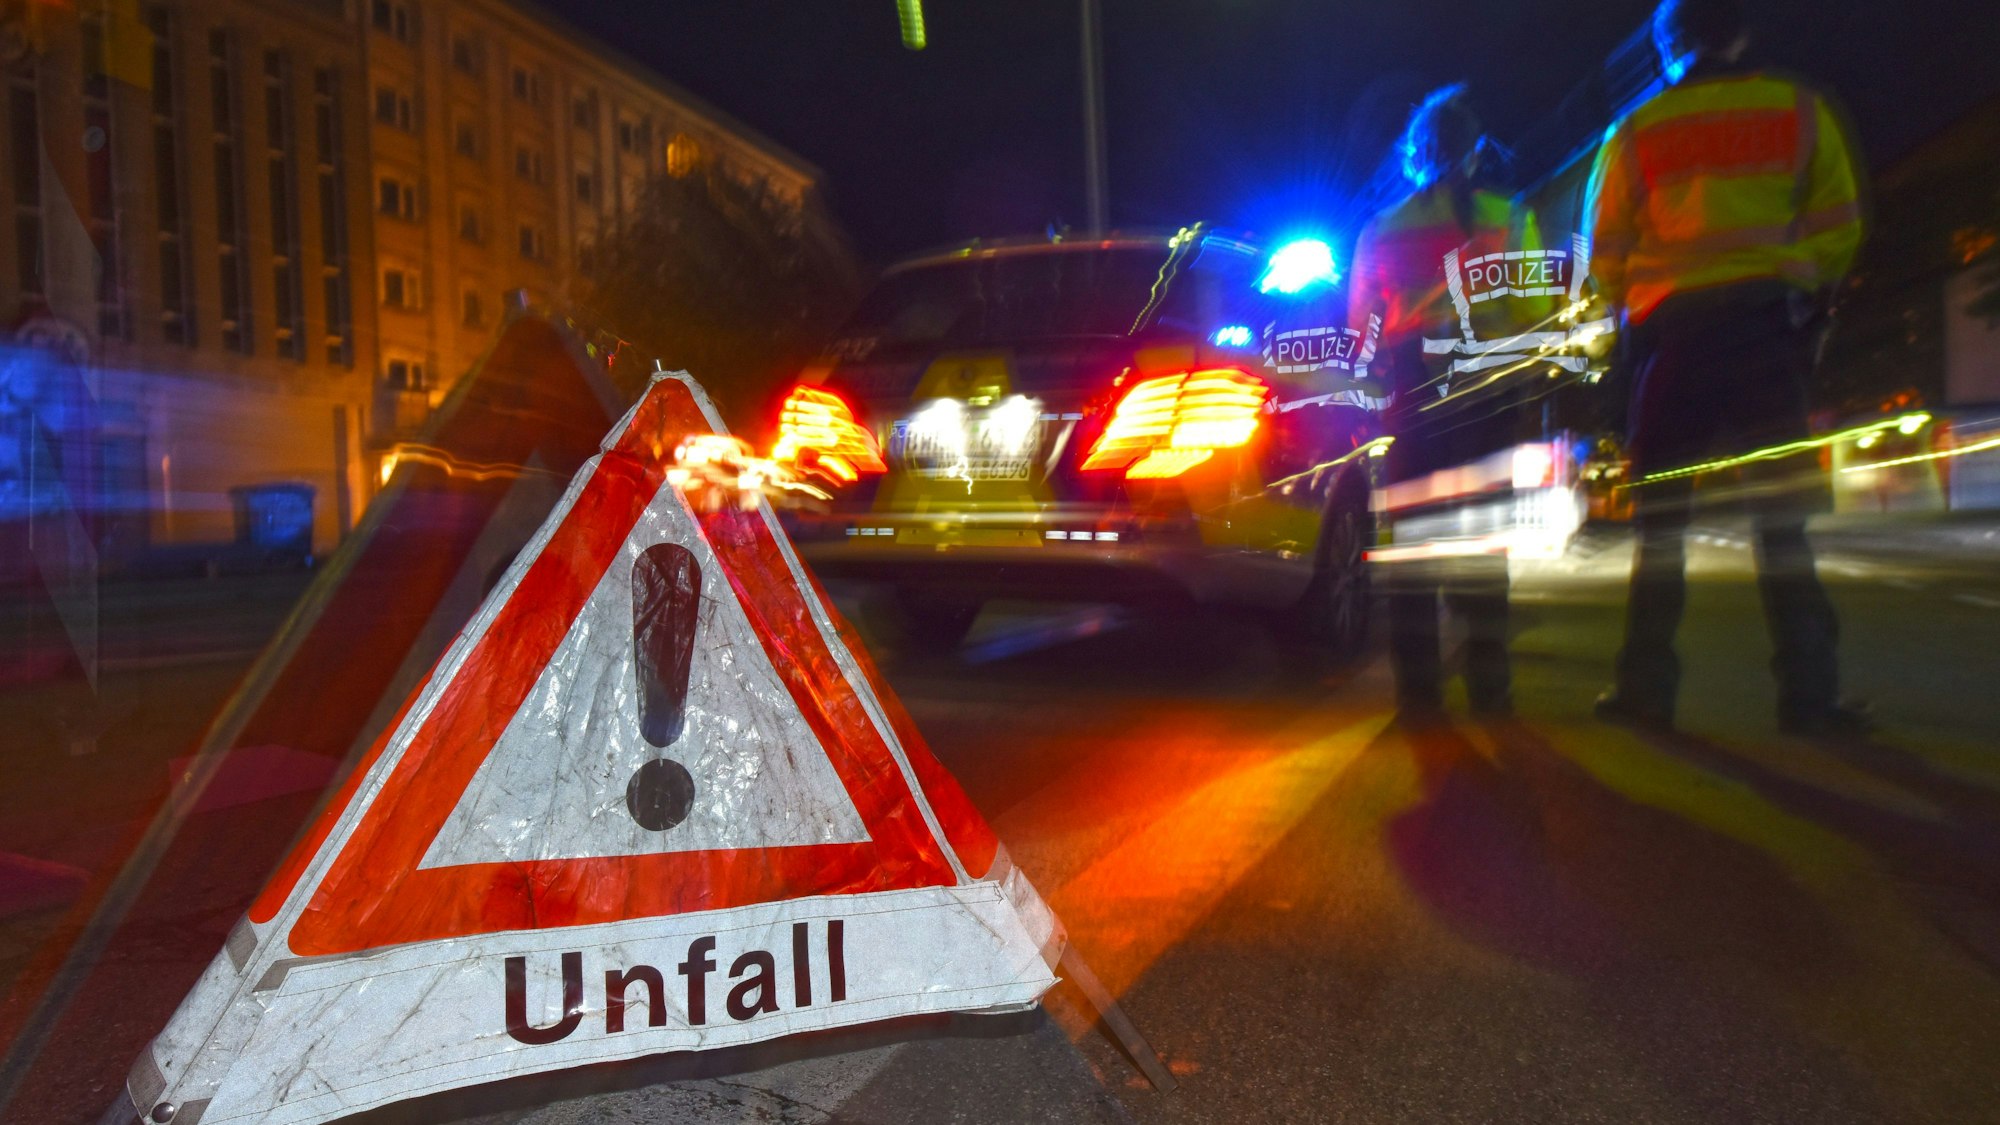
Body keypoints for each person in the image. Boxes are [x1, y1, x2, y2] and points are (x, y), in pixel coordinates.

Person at [1585, 0, 1868, 735]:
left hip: (1674, 346)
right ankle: (1809, 698)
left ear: (1666, 46)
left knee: (1661, 530)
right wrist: (1800, 286)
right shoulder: (1800, 110)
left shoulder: (1636, 131)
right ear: (1740, 32)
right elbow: (1840, 227)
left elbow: (1605, 258)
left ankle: (1645, 691)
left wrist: (1639, 305)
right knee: (1782, 528)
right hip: (1764, 339)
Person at [1348, 85, 1563, 721]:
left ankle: (1418, 697)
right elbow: (1533, 312)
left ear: (1414, 154)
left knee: (1415, 544)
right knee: (1483, 543)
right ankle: (1491, 690)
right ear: (1475, 153)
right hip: (1488, 391)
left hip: (1415, 390)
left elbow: (1364, 327)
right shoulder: (1507, 216)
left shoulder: (1381, 229)